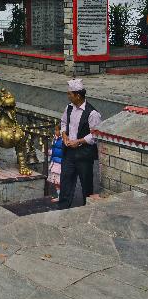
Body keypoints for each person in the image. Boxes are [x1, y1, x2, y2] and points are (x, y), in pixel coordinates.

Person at [57, 79, 101, 209]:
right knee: (66, 181)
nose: (68, 96)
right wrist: (64, 135)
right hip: (69, 152)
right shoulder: (69, 108)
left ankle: (88, 208)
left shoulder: (92, 113)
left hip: (84, 154)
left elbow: (95, 135)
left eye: (70, 94)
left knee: (86, 183)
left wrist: (79, 141)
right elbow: (63, 123)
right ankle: (63, 208)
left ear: (78, 95)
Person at [48, 124, 63, 202]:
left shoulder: (63, 140)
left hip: (59, 164)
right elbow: (54, 149)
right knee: (56, 182)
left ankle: (61, 196)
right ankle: (59, 196)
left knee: (59, 181)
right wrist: (50, 152)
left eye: (56, 130)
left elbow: (60, 151)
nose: (55, 131)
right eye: (55, 130)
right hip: (55, 161)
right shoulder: (55, 138)